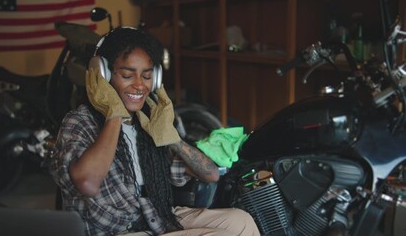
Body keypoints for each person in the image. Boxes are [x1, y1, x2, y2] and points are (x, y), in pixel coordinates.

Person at [49, 26, 260, 236]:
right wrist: (113, 115)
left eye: (147, 76)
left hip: (157, 218)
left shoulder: (146, 123)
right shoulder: (79, 122)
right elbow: (87, 183)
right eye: (127, 75)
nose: (140, 85)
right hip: (117, 231)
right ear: (103, 75)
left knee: (241, 221)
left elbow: (211, 174)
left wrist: (173, 139)